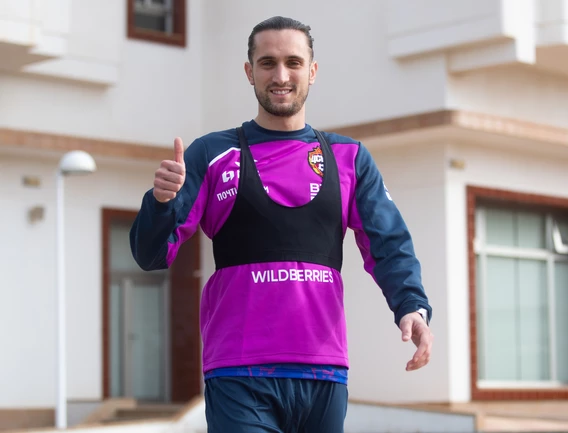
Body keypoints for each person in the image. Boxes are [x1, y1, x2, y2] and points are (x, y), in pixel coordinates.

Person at [130, 15, 433, 433]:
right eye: (268, 63)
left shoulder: (349, 158)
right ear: (249, 71)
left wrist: (411, 306)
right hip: (238, 371)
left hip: (323, 373)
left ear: (312, 70)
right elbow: (150, 255)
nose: (281, 76)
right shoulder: (211, 154)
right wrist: (161, 203)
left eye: (293, 62)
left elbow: (389, 243)